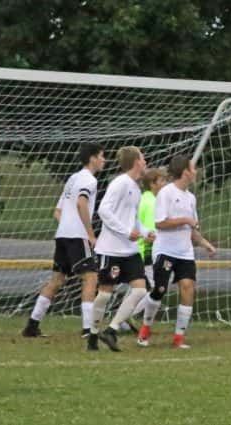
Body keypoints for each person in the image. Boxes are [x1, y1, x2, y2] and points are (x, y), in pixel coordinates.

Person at [22, 143, 105, 338]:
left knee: (58, 279)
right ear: (92, 158)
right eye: (102, 156)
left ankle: (32, 325)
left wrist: (67, 225)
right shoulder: (89, 180)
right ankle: (87, 329)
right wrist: (90, 233)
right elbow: (81, 202)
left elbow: (57, 211)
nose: (104, 160)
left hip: (62, 235)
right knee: (90, 277)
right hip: (77, 236)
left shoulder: (72, 179)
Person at [136, 155, 216, 349]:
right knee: (160, 290)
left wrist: (205, 243)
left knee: (188, 287)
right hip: (165, 251)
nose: (196, 172)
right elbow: (160, 223)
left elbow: (192, 229)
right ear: (185, 172)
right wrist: (185, 220)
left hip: (185, 253)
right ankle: (145, 330)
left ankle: (179, 337)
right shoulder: (166, 193)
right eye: (193, 168)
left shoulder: (191, 198)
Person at [86, 146, 153, 351]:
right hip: (111, 250)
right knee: (105, 294)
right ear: (136, 162)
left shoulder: (135, 187)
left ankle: (112, 330)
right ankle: (93, 334)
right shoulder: (120, 183)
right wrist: (125, 231)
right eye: (143, 159)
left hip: (130, 251)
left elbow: (134, 219)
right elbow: (103, 210)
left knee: (140, 289)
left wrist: (146, 232)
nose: (145, 162)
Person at [125, 167, 168, 323]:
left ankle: (125, 318)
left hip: (137, 250)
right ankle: (126, 317)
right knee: (158, 288)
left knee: (139, 290)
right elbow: (151, 234)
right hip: (146, 252)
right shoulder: (152, 203)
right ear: (152, 183)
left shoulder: (144, 198)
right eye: (162, 180)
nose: (165, 184)